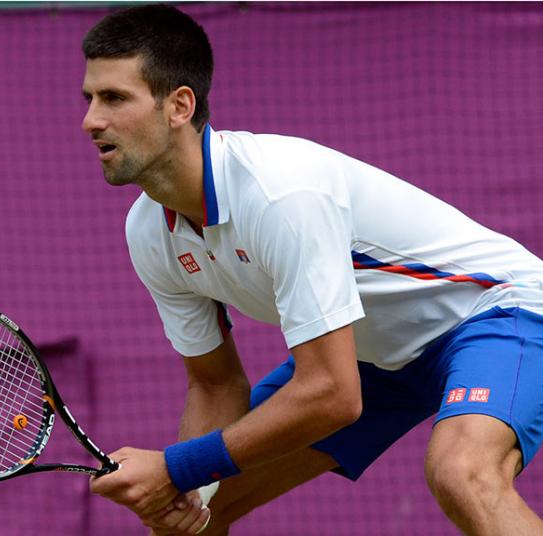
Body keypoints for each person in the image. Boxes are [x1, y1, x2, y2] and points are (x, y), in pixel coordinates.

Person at [80, 4, 543, 535]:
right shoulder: (147, 231)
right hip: (371, 355)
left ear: (179, 106)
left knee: (463, 472)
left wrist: (174, 467)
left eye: (114, 98)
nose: (91, 120)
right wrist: (186, 490)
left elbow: (332, 394)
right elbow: (214, 385)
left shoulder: (280, 194)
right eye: (90, 99)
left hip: (494, 311)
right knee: (194, 516)